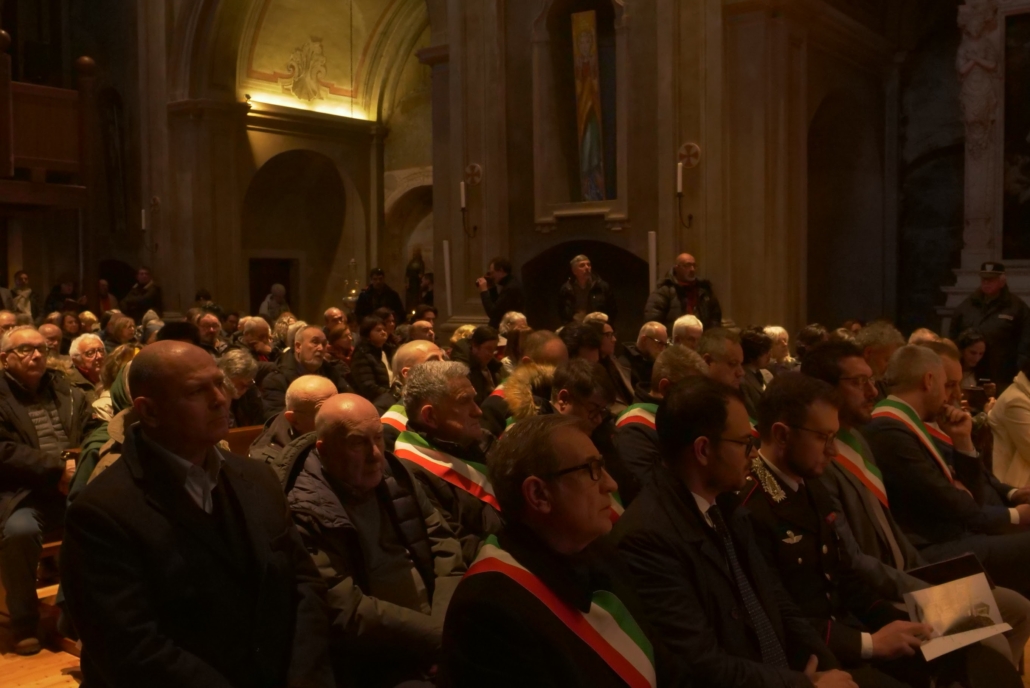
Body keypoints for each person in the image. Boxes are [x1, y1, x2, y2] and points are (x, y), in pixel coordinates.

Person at [60, 341, 333, 687]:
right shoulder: (101, 512)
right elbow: (131, 648)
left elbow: (304, 582)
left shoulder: (258, 478)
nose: (220, 399)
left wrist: (304, 676)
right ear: (150, 411)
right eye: (196, 391)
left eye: (219, 383)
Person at [612, 376, 853, 687]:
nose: (753, 454)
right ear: (703, 450)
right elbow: (701, 665)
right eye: (743, 443)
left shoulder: (726, 505)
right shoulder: (648, 538)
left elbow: (777, 602)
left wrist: (830, 668)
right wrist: (803, 685)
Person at [803, 341, 1030, 669]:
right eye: (859, 382)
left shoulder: (859, 439)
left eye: (872, 380)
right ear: (825, 389)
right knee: (990, 636)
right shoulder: (831, 455)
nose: (873, 391)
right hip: (879, 591)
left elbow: (892, 527)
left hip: (910, 568)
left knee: (1017, 609)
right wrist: (925, 588)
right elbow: (853, 558)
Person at [742, 374, 945, 688]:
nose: (834, 451)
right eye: (823, 438)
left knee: (951, 653)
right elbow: (778, 615)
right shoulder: (750, 506)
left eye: (834, 437)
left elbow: (845, 576)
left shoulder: (809, 483)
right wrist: (869, 644)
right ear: (781, 435)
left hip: (844, 632)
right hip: (807, 658)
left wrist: (900, 623)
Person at [442, 415, 674, 687]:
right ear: (539, 495)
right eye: (591, 469)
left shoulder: (597, 549)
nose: (611, 484)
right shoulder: (488, 611)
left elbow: (666, 666)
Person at [284, 393, 464, 687]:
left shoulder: (395, 472)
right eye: (357, 443)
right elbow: (345, 609)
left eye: (378, 438)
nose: (375, 454)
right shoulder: (305, 509)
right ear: (324, 450)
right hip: (378, 658)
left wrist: (445, 628)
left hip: (440, 629)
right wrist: (438, 638)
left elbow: (444, 545)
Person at [864, 345, 1030, 599]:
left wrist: (963, 441)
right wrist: (968, 498)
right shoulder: (889, 430)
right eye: (946, 385)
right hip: (929, 552)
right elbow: (958, 506)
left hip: (953, 536)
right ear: (929, 381)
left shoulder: (905, 424)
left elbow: (971, 500)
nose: (950, 396)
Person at [0, 326, 93, 655]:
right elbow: (4, 451)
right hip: (19, 495)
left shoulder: (67, 391)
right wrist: (56, 469)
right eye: (25, 349)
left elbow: (93, 429)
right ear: (4, 358)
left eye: (41, 349)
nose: (37, 355)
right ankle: (24, 621)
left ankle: (87, 615)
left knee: (113, 519)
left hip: (72, 488)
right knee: (20, 532)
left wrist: (80, 467)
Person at [395, 361, 499, 563]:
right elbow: (459, 545)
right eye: (464, 401)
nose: (478, 411)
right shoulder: (409, 473)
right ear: (430, 416)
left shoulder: (483, 439)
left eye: (474, 399)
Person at [613, 345, 708, 495]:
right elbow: (650, 492)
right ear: (665, 388)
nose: (700, 401)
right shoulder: (633, 428)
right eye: (693, 392)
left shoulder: (677, 417)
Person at [949, 263, 1030, 392]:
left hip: (1003, 377)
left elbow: (1025, 346)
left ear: (1002, 282)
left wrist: (1017, 373)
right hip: (970, 376)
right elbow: (953, 340)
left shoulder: (1017, 308)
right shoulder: (967, 306)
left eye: (991, 279)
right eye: (984, 279)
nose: (986, 283)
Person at [479, 329, 568, 438]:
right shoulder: (495, 406)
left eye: (565, 367)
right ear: (528, 363)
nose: (562, 375)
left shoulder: (563, 396)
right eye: (554, 368)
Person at [260, 325, 352, 420]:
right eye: (315, 342)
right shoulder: (276, 380)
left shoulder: (332, 372)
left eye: (324, 344)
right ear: (298, 347)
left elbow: (350, 401)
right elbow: (276, 419)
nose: (321, 348)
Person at [250, 374, 338, 468]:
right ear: (294, 419)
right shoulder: (270, 462)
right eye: (322, 413)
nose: (337, 417)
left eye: (336, 406)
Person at [377, 340, 446, 448]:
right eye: (433, 361)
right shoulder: (387, 420)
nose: (444, 364)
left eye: (443, 358)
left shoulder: (448, 401)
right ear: (408, 373)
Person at [643, 252, 723, 331]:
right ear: (676, 268)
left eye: (694, 265)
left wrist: (710, 334)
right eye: (687, 265)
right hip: (675, 337)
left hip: (702, 337)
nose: (692, 269)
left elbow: (715, 316)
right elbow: (653, 321)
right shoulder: (665, 291)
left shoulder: (704, 290)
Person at [584, 312, 633, 413]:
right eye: (609, 335)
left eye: (613, 334)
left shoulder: (613, 363)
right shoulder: (589, 369)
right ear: (596, 337)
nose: (614, 339)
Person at [450, 325, 501, 406]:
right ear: (475, 346)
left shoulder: (491, 366)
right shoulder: (463, 370)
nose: (491, 354)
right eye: (488, 348)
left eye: (494, 349)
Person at [558, 254, 616, 324]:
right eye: (582, 265)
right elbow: (563, 312)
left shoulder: (601, 286)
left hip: (597, 324)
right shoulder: (567, 289)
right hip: (575, 326)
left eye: (588, 265)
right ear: (574, 271)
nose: (587, 267)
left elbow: (612, 310)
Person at [218, 348, 264, 428]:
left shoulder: (251, 390)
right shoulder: (216, 393)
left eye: (247, 384)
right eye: (241, 384)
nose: (244, 389)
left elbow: (258, 422)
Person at [351, 315, 393, 402]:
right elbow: (368, 387)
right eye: (378, 330)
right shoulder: (362, 354)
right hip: (375, 402)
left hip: (388, 397)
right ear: (367, 334)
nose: (383, 332)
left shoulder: (386, 350)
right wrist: (392, 395)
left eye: (384, 329)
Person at [617, 321, 667, 391]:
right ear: (644, 340)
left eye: (665, 345)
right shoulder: (625, 365)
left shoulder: (656, 362)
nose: (663, 349)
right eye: (659, 343)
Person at [476, 257, 524, 330]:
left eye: (492, 273)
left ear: (501, 271)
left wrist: (484, 291)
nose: (491, 276)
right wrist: (492, 288)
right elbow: (497, 306)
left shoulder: (511, 288)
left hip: (506, 330)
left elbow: (493, 313)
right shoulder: (510, 284)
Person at [739, 327, 773, 419]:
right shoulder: (741, 380)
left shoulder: (766, 374)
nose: (769, 355)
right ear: (752, 352)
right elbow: (752, 414)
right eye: (764, 351)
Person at [67, 333, 105, 405]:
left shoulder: (112, 375)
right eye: (90, 353)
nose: (99, 356)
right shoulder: (70, 383)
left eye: (101, 350)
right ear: (76, 360)